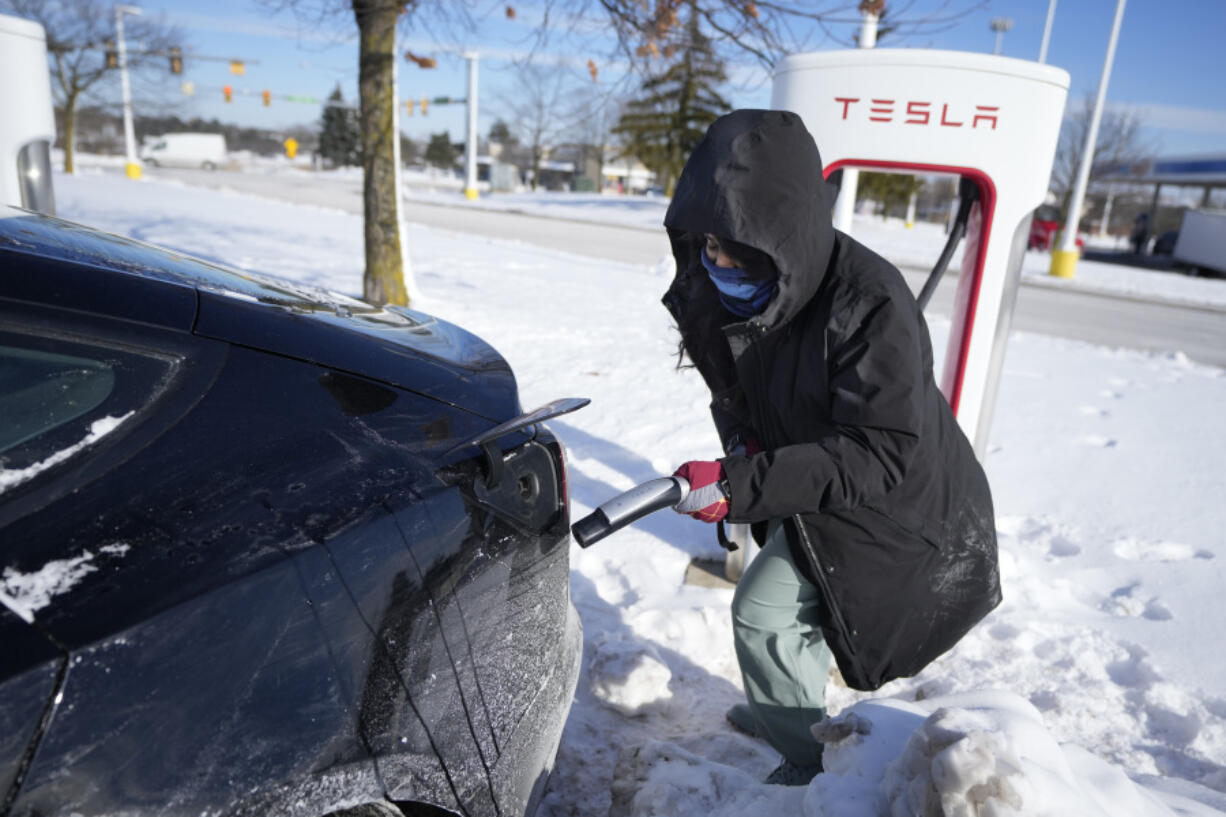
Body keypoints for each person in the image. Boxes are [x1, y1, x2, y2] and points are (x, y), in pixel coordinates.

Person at [662, 110, 1001, 786]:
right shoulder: (751, 290)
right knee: (792, 617)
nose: (715, 262)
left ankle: (818, 766)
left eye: (732, 248)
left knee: (764, 612)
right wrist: (747, 453)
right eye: (707, 243)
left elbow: (881, 452)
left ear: (777, 236)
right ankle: (790, 706)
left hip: (895, 509)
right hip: (818, 480)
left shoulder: (868, 303)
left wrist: (740, 484)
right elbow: (745, 392)